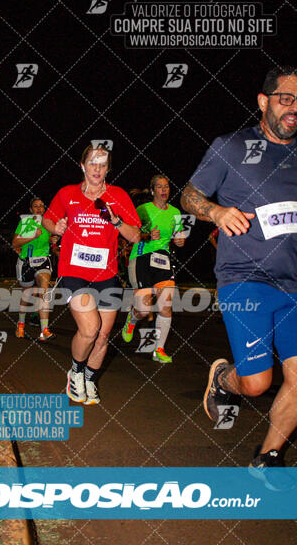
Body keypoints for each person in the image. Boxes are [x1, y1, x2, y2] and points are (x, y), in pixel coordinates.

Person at [181, 66, 297, 482]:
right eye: (286, 99)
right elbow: (189, 195)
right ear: (264, 101)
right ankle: (224, 380)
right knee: (256, 384)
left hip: (294, 284)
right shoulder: (231, 147)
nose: (293, 110)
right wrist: (216, 211)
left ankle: (266, 458)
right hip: (245, 277)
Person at [43, 143, 141, 405]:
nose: (97, 168)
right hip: (73, 271)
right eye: (93, 162)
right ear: (82, 165)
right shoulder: (67, 194)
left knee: (103, 335)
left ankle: (89, 378)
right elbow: (47, 220)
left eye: (103, 163)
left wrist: (116, 221)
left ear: (108, 168)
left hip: (106, 274)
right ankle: (75, 372)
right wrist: (58, 226)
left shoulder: (119, 196)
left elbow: (135, 235)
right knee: (90, 329)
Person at [121, 175, 186, 362]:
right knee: (143, 308)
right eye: (159, 187)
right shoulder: (142, 210)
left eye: (166, 186)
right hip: (141, 258)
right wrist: (146, 234)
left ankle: (159, 350)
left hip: (163, 258)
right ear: (152, 190)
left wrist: (180, 240)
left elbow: (179, 236)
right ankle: (132, 319)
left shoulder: (175, 212)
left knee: (166, 305)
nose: (164, 190)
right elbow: (130, 234)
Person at [12, 198, 56, 342]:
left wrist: (52, 241)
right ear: (31, 210)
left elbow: (52, 239)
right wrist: (33, 236)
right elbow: (15, 243)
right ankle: (20, 325)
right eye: (35, 206)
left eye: (41, 206)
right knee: (26, 295)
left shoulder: (48, 223)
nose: (39, 208)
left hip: (43, 261)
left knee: (44, 291)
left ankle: (44, 330)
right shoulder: (25, 223)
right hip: (26, 262)